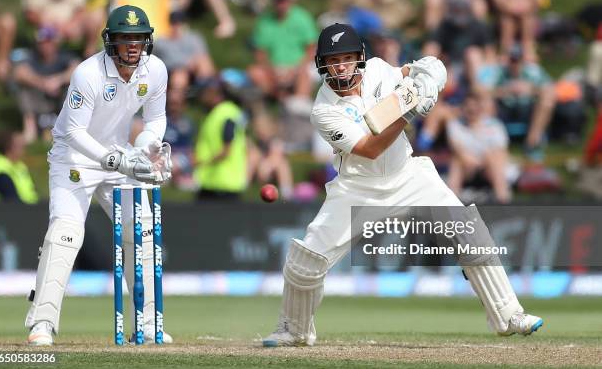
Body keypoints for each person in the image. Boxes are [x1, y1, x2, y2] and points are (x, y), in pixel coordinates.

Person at [262, 23, 542, 347]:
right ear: (321, 64)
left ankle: (509, 315)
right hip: (358, 188)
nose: (341, 66)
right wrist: (409, 113)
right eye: (333, 60)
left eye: (347, 58)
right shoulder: (323, 110)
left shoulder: (379, 70)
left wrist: (430, 71)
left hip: (409, 176)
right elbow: (369, 148)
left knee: (469, 231)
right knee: (306, 260)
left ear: (360, 58)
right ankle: (294, 330)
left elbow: (412, 73)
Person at [25, 5, 173, 346]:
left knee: (143, 234)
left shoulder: (156, 70)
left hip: (119, 153)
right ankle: (42, 323)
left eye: (138, 38)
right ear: (111, 42)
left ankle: (148, 323)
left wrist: (148, 148)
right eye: (125, 39)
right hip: (74, 159)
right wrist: (117, 161)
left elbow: (155, 120)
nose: (133, 46)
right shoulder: (87, 74)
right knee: (66, 233)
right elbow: (75, 132)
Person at [13, 27, 79, 144]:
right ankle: (30, 131)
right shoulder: (32, 57)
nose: (44, 46)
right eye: (41, 43)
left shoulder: (64, 56)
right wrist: (42, 83)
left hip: (60, 98)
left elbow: (77, 69)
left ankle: (69, 129)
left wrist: (58, 81)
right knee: (23, 90)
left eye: (48, 42)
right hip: (39, 98)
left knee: (73, 88)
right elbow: (19, 73)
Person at [194, 78, 248, 201]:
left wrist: (201, 163)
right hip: (212, 183)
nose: (202, 95)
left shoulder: (225, 113)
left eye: (205, 91)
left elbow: (226, 150)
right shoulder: (216, 113)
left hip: (223, 185)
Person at [0, 131, 39, 204]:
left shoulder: (21, 166)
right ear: (9, 146)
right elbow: (12, 199)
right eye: (20, 145)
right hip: (9, 213)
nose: (24, 148)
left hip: (29, 211)